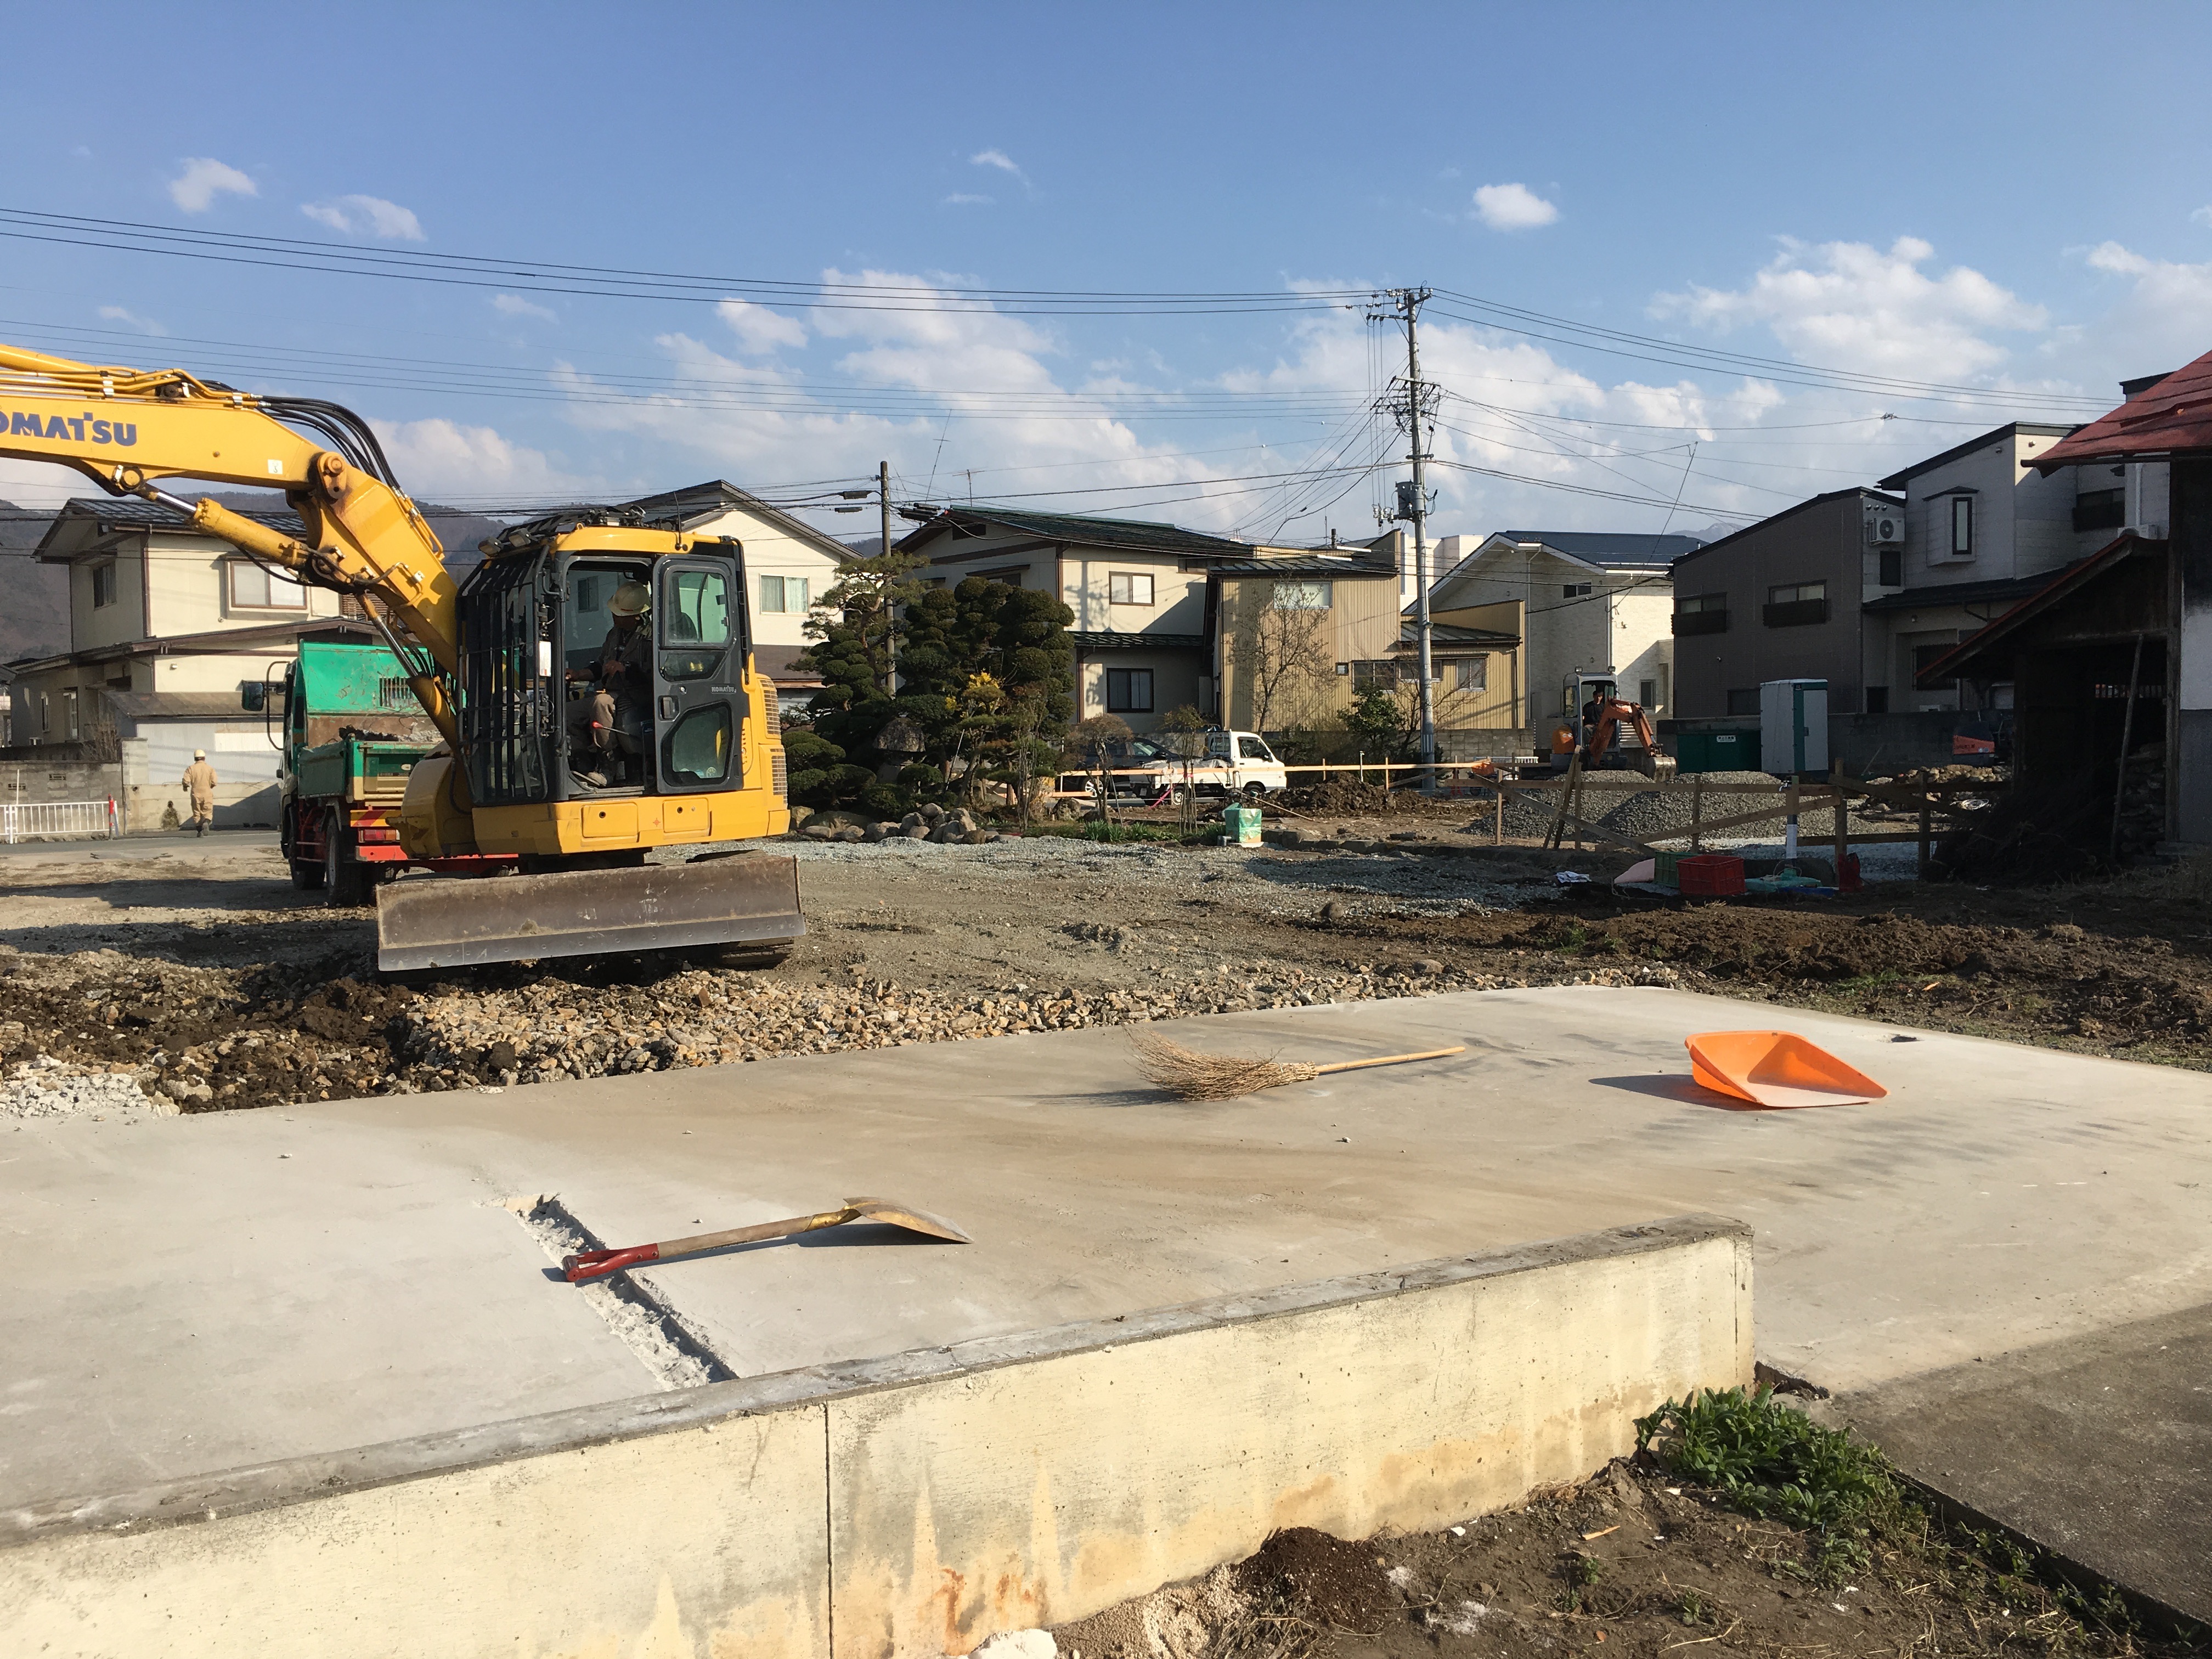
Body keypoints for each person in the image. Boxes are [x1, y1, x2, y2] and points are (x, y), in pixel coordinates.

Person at [566, 579, 652, 785]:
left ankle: (607, 766)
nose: (614, 616)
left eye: (619, 614)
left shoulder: (651, 636)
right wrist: (578, 674)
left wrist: (626, 669)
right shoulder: (614, 634)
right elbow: (600, 666)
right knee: (569, 712)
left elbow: (656, 672)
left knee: (601, 703)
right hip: (614, 692)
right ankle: (582, 764)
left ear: (635, 615)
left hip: (640, 694)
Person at [182, 749, 218, 836]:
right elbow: (214, 782)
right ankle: (206, 822)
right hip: (207, 792)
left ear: (195, 758)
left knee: (197, 812)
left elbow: (186, 781)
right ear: (204, 758)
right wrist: (210, 786)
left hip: (195, 793)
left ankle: (199, 832)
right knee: (208, 811)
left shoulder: (191, 769)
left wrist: (185, 786)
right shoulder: (210, 769)